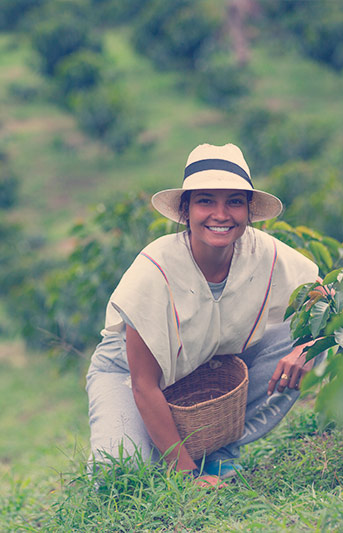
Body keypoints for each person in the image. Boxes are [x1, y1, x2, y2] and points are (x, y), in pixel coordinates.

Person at [85, 143, 321, 489]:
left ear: (249, 210)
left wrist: (308, 347)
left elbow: (326, 300)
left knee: (304, 338)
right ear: (186, 209)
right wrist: (188, 477)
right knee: (121, 477)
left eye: (235, 201)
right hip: (129, 374)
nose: (221, 214)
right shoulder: (156, 269)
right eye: (206, 200)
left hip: (203, 365)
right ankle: (184, 460)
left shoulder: (263, 253)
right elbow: (144, 384)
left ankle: (218, 452)